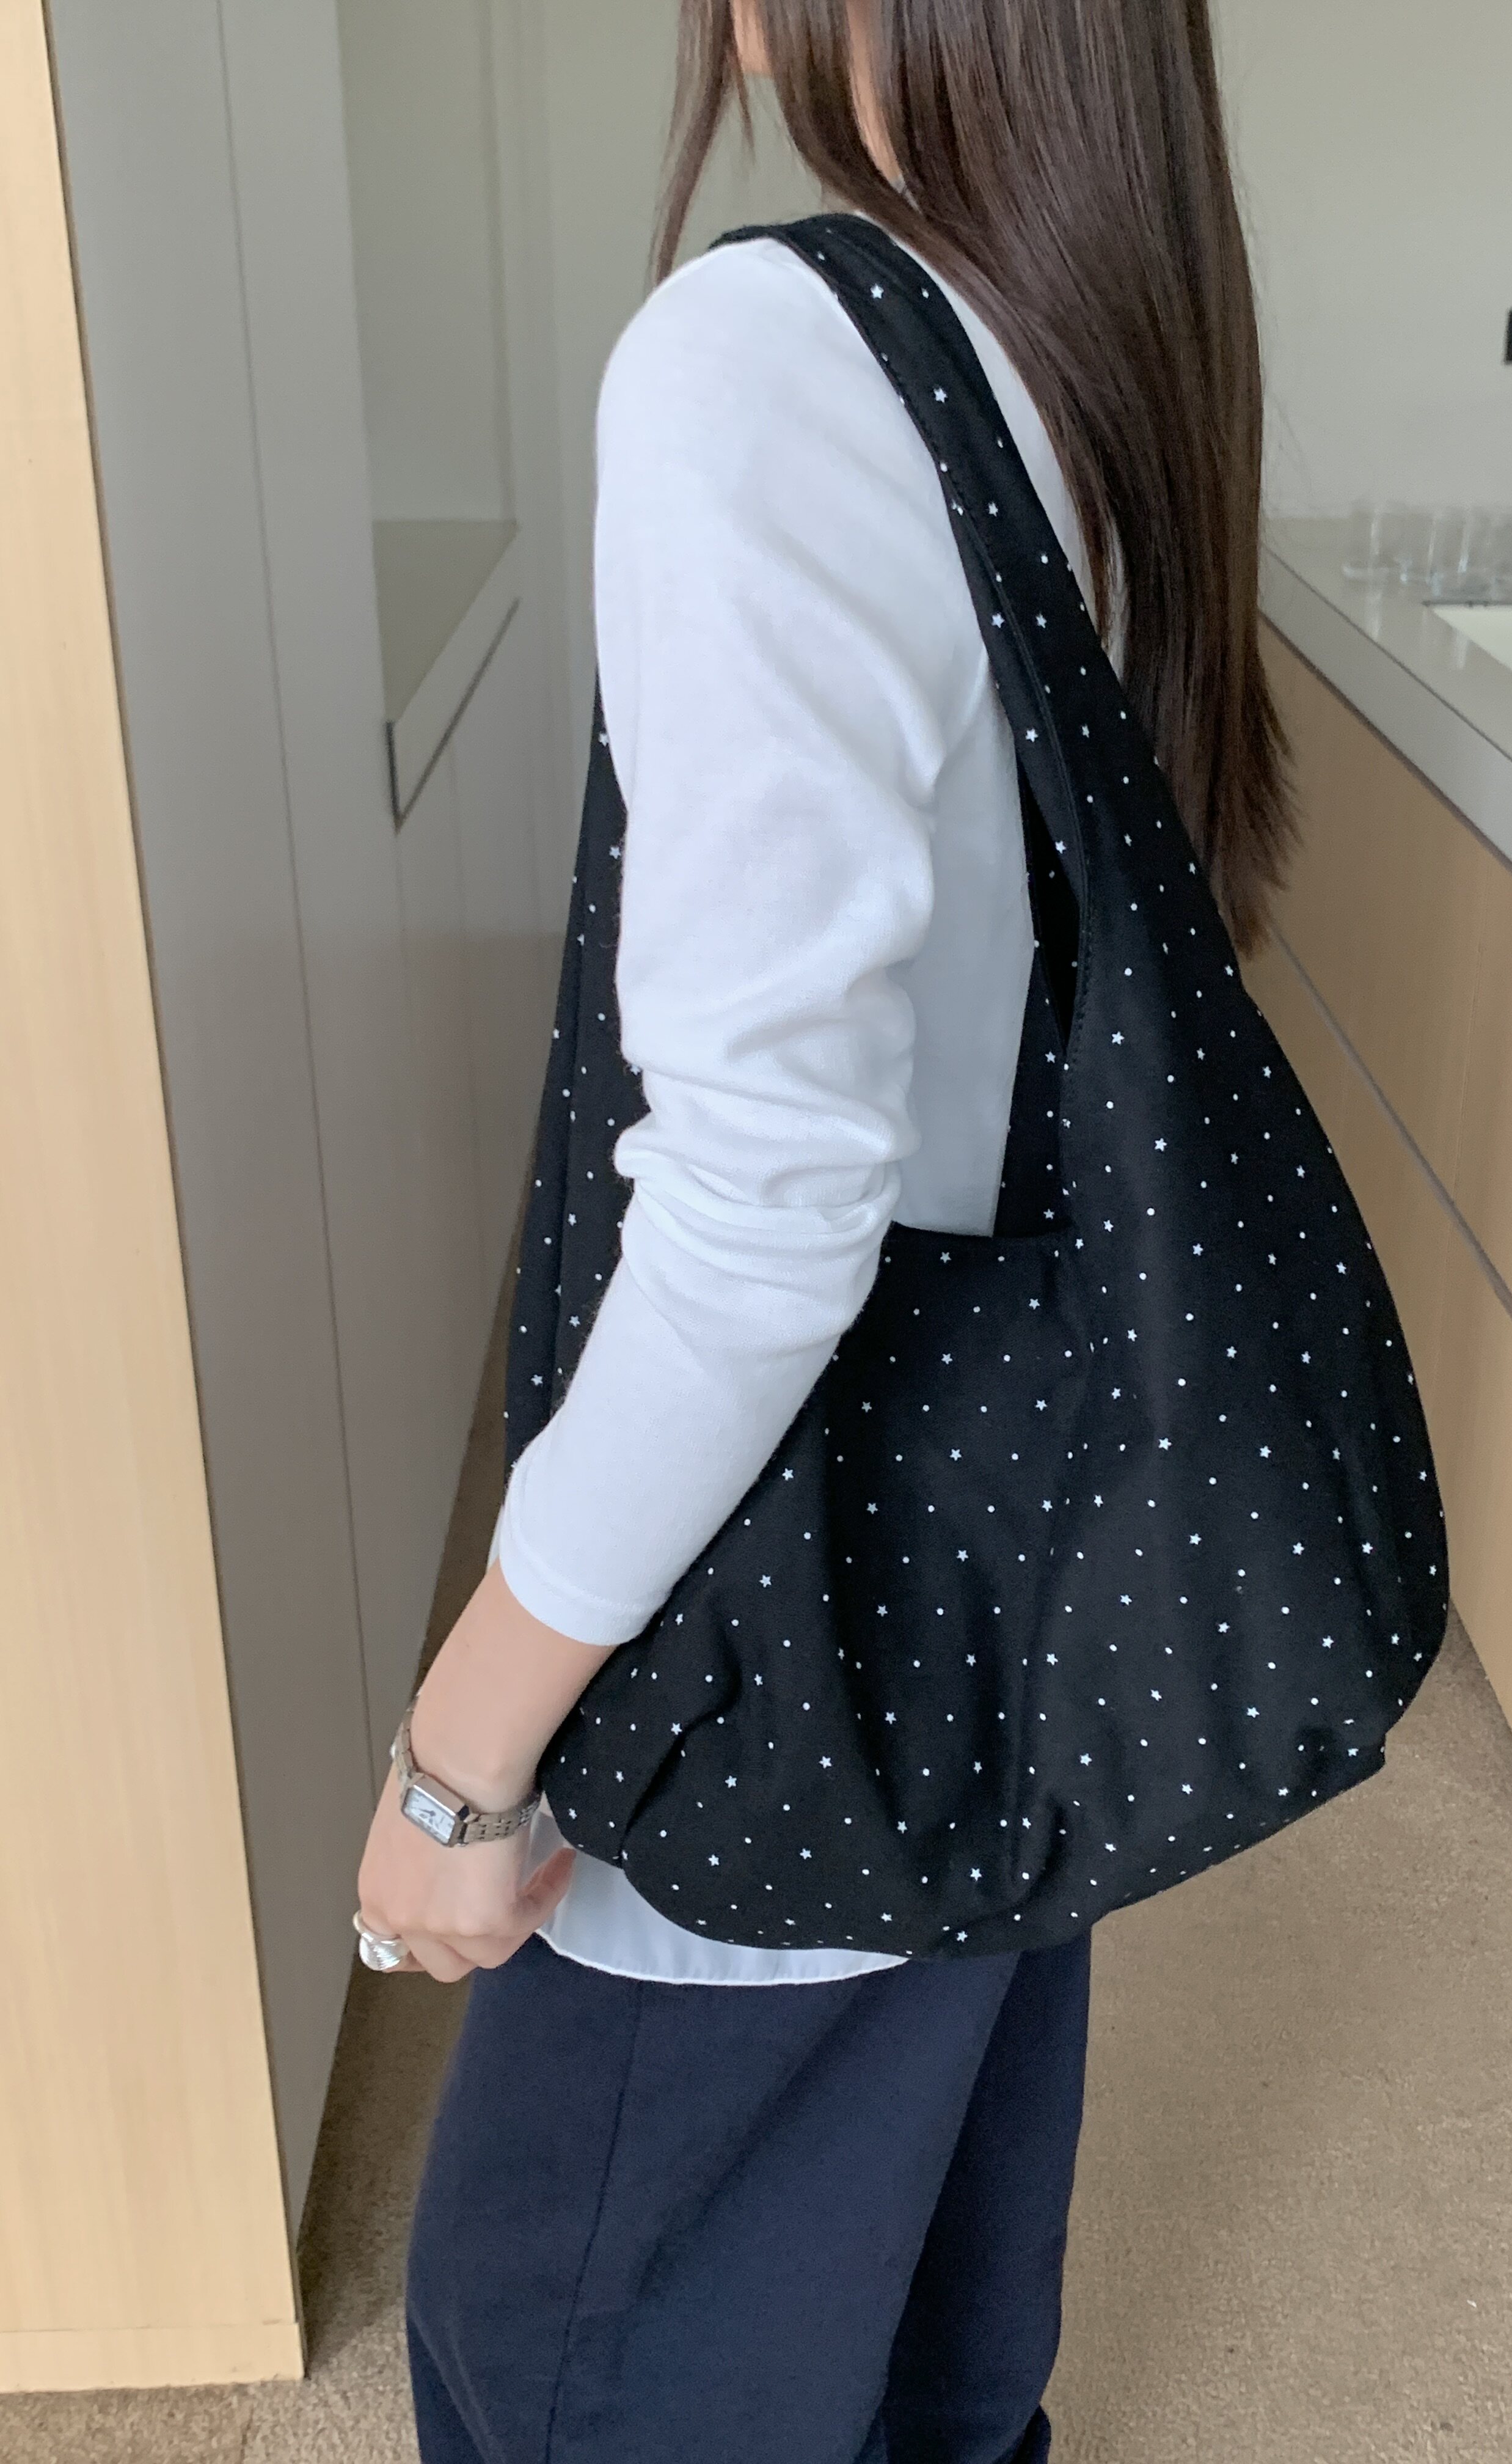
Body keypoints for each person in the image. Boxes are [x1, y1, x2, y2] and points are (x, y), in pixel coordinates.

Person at [354, 4, 1288, 2457]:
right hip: (1016, 1578)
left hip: (797, 1611)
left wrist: (459, 1763)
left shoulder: (774, 359)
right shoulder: (1100, 339)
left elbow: (766, 1208)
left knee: (560, 2346)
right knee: (928, 2346)